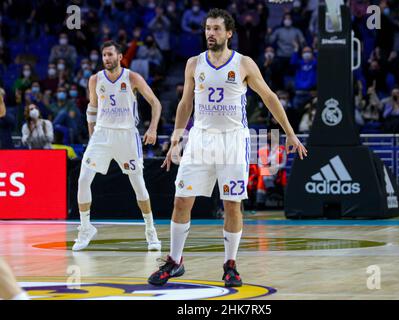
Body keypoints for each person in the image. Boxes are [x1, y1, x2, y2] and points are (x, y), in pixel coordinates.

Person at [148, 9, 307, 288]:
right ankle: (175, 261)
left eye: (216, 29)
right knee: (181, 200)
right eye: (208, 28)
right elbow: (186, 104)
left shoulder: (244, 63)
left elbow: (269, 97)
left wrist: (290, 134)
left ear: (229, 33)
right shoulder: (193, 64)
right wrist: (176, 138)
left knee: (232, 204)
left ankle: (230, 264)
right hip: (200, 138)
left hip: (233, 140)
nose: (210, 33)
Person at [73, 41, 163, 252]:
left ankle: (150, 230)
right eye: (104, 55)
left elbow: (156, 103)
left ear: (120, 56)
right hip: (102, 135)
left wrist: (152, 129)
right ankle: (86, 228)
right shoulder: (95, 79)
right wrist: (92, 134)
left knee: (138, 184)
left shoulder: (132, 77)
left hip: (126, 136)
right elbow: (92, 108)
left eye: (110, 54)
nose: (106, 58)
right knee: (83, 179)